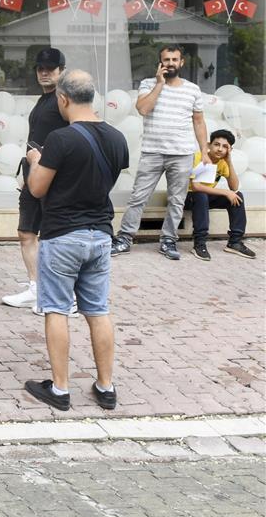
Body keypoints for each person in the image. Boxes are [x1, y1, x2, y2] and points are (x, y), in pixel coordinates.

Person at [23, 70, 128, 411]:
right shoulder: (117, 138)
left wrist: (36, 161)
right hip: (100, 235)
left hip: (62, 235)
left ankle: (60, 389)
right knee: (98, 311)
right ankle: (106, 386)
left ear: (63, 99)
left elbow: (37, 188)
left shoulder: (60, 139)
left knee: (56, 309)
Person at [112, 44, 209, 261]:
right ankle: (125, 239)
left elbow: (199, 122)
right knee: (138, 197)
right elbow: (143, 109)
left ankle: (168, 241)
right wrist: (159, 84)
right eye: (167, 60)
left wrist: (204, 150)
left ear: (181, 62)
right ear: (160, 62)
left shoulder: (192, 89)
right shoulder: (148, 84)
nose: (171, 63)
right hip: (152, 152)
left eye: (175, 60)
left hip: (182, 153)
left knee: (177, 200)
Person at [3, 49, 68, 310]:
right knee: (26, 231)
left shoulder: (64, 100)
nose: (44, 72)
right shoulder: (44, 100)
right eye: (40, 68)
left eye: (50, 68)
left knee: (54, 235)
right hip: (32, 173)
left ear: (61, 71)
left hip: (53, 176)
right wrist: (27, 170)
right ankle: (36, 287)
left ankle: (61, 293)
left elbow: (71, 137)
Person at [187, 128, 255, 260]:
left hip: (205, 198)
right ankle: (199, 243)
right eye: (217, 144)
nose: (220, 149)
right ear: (209, 145)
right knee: (201, 195)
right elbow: (196, 186)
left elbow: (234, 186)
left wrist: (229, 161)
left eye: (225, 147)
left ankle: (235, 242)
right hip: (187, 197)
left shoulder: (223, 163)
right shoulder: (199, 157)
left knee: (238, 196)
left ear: (229, 150)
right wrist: (225, 192)